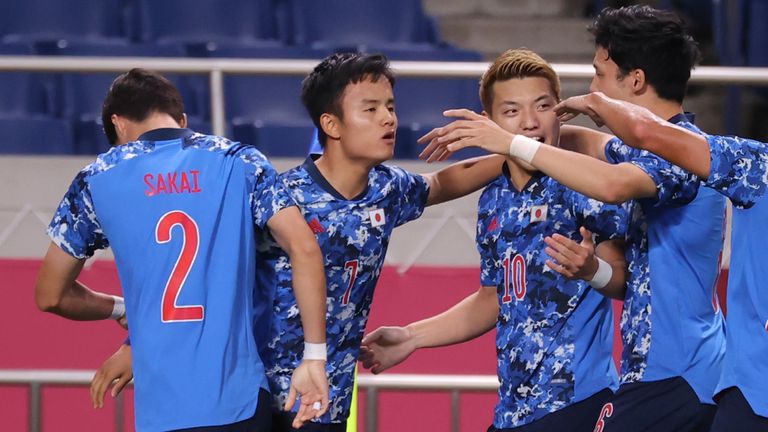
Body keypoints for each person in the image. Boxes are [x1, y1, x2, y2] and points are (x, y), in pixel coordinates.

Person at [89, 54, 503, 431]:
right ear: (331, 124)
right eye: (371, 109)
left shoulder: (388, 189)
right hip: (256, 396)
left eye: (390, 107)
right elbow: (203, 276)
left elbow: (443, 182)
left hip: (326, 396)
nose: (388, 119)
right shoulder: (281, 198)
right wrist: (134, 344)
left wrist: (519, 150)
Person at [418, 6, 727, 431]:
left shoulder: (683, 153)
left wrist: (511, 140)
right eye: (512, 112)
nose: (592, 89)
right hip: (634, 376)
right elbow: (586, 142)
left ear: (634, 79)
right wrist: (501, 154)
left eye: (599, 75)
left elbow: (614, 185)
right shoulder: (641, 149)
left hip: (671, 377)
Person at [35, 68, 329, 431]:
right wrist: (315, 356)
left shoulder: (96, 178)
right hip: (239, 401)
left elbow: (50, 295)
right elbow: (304, 247)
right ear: (183, 120)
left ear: (118, 125)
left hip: (162, 409)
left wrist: (121, 310)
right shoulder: (240, 160)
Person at [361, 48, 631, 432]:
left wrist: (593, 270)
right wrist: (412, 336)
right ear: (489, 124)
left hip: (579, 402)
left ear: (560, 111)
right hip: (512, 412)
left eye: (542, 106)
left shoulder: (585, 184)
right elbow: (494, 297)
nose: (529, 121)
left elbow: (622, 279)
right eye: (511, 111)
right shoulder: (493, 199)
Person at [554, 93, 768, 431]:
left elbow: (640, 141)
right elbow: (614, 141)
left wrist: (595, 103)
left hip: (713, 382)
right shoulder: (753, 166)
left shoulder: (749, 166)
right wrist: (522, 137)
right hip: (743, 390)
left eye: (601, 74)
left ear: (635, 80)